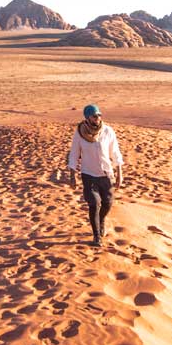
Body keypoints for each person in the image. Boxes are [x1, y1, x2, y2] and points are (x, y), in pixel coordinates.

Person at [68, 104, 123, 246]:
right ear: (87, 118)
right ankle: (96, 236)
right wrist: (72, 175)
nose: (98, 118)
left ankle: (101, 220)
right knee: (94, 204)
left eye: (99, 115)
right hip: (88, 174)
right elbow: (74, 154)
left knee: (107, 203)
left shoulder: (107, 131)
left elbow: (115, 152)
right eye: (94, 116)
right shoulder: (80, 133)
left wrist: (119, 174)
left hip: (106, 174)